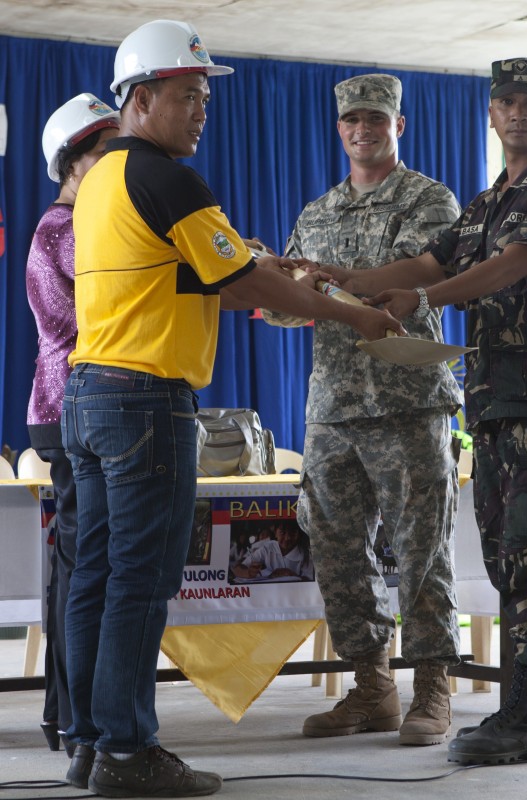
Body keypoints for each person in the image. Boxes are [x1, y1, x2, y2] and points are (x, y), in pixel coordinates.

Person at [61, 20, 404, 798]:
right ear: (141, 97)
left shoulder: (103, 179)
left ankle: (88, 742)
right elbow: (241, 286)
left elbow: (165, 274)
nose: (202, 109)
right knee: (138, 584)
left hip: (91, 393)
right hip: (145, 399)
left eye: (206, 95)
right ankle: (127, 752)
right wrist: (355, 316)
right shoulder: (171, 179)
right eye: (188, 94)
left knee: (98, 578)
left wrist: (257, 260)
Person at [320, 58, 527, 765]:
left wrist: (423, 302)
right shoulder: (482, 205)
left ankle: (525, 714)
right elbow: (428, 262)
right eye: (504, 101)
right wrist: (347, 282)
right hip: (495, 401)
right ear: (491, 114)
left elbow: (517, 262)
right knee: (512, 560)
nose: (517, 111)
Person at [262, 73, 463, 746]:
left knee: (420, 551)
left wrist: (334, 287)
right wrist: (277, 294)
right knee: (338, 552)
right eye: (351, 119)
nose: (361, 128)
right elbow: (299, 309)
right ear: (339, 127)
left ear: (398, 126)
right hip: (333, 409)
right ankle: (372, 687)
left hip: (408, 405)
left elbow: (423, 275)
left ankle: (432, 688)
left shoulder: (429, 200)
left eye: (375, 118)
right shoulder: (316, 213)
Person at [25, 93, 120, 757]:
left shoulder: (64, 223)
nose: (117, 160)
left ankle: (64, 713)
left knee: (75, 570)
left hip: (61, 411)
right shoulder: (72, 228)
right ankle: (74, 715)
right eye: (103, 150)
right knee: (88, 570)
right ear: (71, 161)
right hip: (74, 410)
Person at [232, 520, 314, 581]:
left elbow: (310, 580)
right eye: (282, 532)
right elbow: (238, 569)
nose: (287, 538)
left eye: (293, 533)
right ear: (275, 533)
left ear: (299, 534)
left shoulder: (306, 554)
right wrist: (249, 573)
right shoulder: (267, 548)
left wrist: (292, 575)